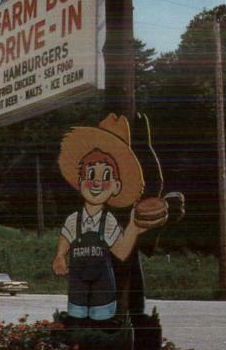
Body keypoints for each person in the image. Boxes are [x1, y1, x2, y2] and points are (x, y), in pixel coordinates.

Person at [52, 114, 162, 322]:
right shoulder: (75, 218)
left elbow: (122, 250)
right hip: (80, 280)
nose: (96, 184)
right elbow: (66, 236)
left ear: (116, 185)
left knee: (113, 295)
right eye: (91, 175)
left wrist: (135, 228)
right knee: (80, 312)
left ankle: (125, 319)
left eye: (105, 178)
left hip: (103, 284)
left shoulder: (111, 221)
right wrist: (60, 255)